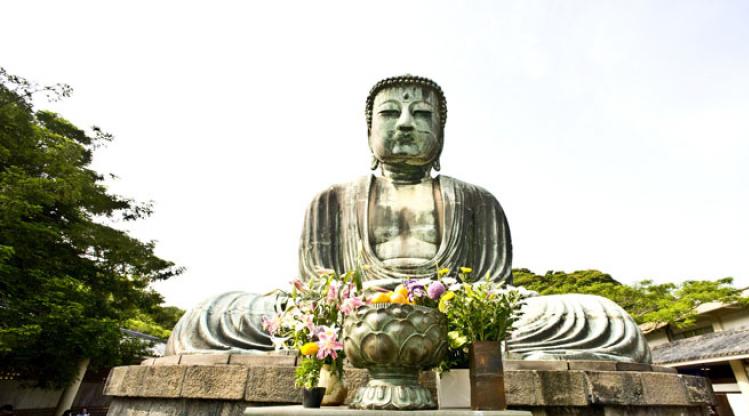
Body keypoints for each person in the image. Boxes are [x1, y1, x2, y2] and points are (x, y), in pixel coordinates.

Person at [165, 75, 650, 364]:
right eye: (390, 114)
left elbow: (494, 289)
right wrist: (357, 308)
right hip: (354, 320)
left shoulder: (476, 200)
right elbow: (318, 287)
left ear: (441, 131)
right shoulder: (331, 201)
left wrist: (460, 312)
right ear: (369, 129)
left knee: (604, 321)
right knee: (210, 318)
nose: (405, 124)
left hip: (451, 321)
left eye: (421, 114)